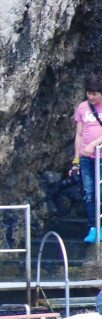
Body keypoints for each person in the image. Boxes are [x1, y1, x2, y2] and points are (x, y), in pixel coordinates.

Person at [71, 74, 102, 243]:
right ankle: (93, 227)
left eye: (95, 93)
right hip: (86, 158)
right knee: (89, 192)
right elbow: (79, 134)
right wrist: (76, 161)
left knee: (101, 192)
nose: (91, 96)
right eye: (89, 93)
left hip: (101, 156)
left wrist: (94, 144)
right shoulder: (83, 108)